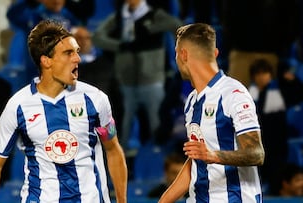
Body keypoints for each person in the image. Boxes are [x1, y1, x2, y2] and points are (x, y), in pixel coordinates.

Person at [0, 19, 127, 203]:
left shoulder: (96, 100)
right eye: (68, 53)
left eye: (77, 52)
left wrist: (122, 201)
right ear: (46, 61)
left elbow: (113, 150)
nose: (77, 59)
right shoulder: (18, 106)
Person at [158, 23, 265, 203]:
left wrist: (213, 155)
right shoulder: (192, 101)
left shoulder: (233, 94)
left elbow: (256, 153)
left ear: (183, 55)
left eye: (176, 53)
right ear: (214, 54)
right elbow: (195, 161)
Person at [92, 0, 183, 153]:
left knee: (157, 123)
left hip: (152, 80)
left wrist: (153, 30)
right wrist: (119, 45)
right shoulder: (119, 17)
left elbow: (178, 27)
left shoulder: (155, 15)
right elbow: (97, 37)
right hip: (126, 81)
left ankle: (163, 160)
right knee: (124, 126)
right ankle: (123, 159)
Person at [248, 59, 289, 186]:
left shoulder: (281, 89)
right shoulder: (248, 94)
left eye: (264, 73)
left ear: (270, 74)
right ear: (254, 76)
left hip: (276, 142)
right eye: (258, 74)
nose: (262, 77)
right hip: (256, 140)